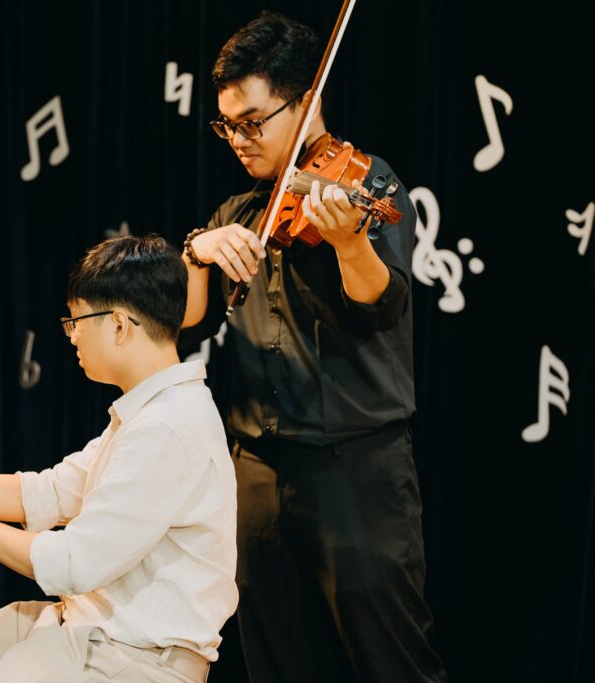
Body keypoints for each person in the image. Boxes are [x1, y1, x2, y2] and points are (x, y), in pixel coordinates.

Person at [178, 11, 446, 683]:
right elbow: (185, 322)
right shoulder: (239, 213)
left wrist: (351, 243)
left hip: (356, 474)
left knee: (392, 662)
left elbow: (381, 305)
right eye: (227, 126)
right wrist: (196, 250)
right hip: (256, 476)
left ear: (307, 102)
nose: (239, 142)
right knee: (277, 662)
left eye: (253, 123)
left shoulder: (368, 184)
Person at [0, 234, 238, 682]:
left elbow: (74, 563)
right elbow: (43, 492)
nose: (72, 335)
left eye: (76, 321)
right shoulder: (148, 410)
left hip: (134, 657)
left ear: (119, 325)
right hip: (82, 627)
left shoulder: (166, 427)